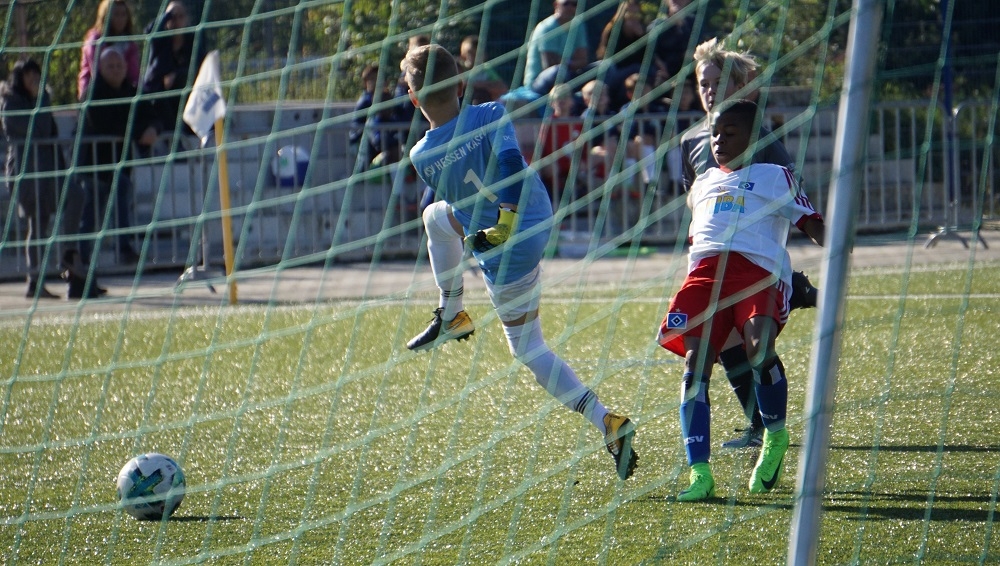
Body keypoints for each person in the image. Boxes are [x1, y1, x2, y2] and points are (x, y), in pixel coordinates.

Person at [400, 43, 638, 480]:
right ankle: (451, 314)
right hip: (534, 212)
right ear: (461, 83)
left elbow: (482, 180)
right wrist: (507, 217)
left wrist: (503, 224)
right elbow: (509, 163)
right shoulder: (491, 113)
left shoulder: (421, 155)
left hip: (506, 246)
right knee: (435, 217)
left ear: (413, 99)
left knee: (528, 349)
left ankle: (606, 420)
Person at [657, 99, 825, 501]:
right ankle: (700, 473)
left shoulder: (775, 176)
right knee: (694, 367)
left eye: (729, 134)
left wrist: (840, 246)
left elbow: (812, 223)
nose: (718, 141)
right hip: (704, 279)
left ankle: (775, 436)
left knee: (758, 347)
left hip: (756, 273)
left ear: (754, 138)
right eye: (715, 134)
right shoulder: (703, 183)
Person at [680, 37, 819, 450]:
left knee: (746, 342)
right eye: (703, 83)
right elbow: (695, 198)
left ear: (741, 86)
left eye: (718, 82)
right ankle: (758, 425)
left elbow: (786, 193)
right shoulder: (691, 140)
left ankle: (766, 427)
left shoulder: (761, 139)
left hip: (755, 261)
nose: (709, 91)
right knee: (722, 342)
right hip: (712, 259)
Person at [1, 59, 102, 300]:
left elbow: (46, 129)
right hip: (26, 172)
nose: (33, 79)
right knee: (37, 224)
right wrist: (40, 102)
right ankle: (35, 282)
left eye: (36, 74)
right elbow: (33, 131)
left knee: (75, 195)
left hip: (49, 168)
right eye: (28, 75)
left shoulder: (42, 97)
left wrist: (41, 99)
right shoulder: (9, 102)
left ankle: (67, 252)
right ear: (19, 77)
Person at [78, 48, 159, 266]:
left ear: (125, 67)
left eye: (119, 66)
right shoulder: (92, 94)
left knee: (121, 193)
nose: (115, 70)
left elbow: (152, 114)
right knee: (90, 214)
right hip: (93, 166)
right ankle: (81, 260)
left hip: (119, 165)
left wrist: (152, 128)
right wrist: (139, 132)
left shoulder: (131, 91)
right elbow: (107, 125)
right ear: (100, 69)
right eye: (110, 66)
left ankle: (124, 248)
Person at [141, 0, 207, 139]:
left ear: (187, 19)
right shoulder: (160, 42)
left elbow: (200, 69)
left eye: (180, 16)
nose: (176, 21)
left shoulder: (193, 42)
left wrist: (176, 75)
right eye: (172, 17)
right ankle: (176, 140)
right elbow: (149, 32)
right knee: (161, 102)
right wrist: (167, 15)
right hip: (159, 96)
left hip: (184, 95)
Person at [523, 0, 591, 94]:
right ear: (556, 5)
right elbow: (550, 65)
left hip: (569, 75)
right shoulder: (546, 28)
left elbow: (583, 60)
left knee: (603, 67)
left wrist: (565, 62)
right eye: (566, 4)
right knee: (558, 71)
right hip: (539, 83)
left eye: (574, 4)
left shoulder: (578, 25)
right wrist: (572, 63)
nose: (570, 7)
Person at [78, 0, 141, 101]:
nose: (120, 19)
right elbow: (97, 72)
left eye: (123, 14)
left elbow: (134, 74)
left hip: (122, 89)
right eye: (116, 14)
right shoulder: (95, 40)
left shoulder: (129, 43)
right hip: (95, 92)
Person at [350, 64, 406, 173]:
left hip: (378, 138)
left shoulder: (386, 99)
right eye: (373, 79)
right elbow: (357, 126)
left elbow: (400, 113)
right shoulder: (365, 101)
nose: (377, 83)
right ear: (365, 82)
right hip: (361, 139)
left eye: (379, 79)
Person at [536, 84, 584, 200]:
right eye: (558, 97)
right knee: (552, 167)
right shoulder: (548, 123)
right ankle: (559, 196)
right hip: (555, 163)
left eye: (565, 97)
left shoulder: (578, 123)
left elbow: (583, 148)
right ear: (552, 102)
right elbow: (546, 149)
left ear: (572, 101)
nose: (562, 100)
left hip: (573, 162)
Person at [646, 0, 696, 83]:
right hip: (663, 72)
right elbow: (650, 53)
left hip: (687, 70)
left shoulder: (692, 23)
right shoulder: (657, 26)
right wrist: (661, 67)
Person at [458, 35, 508, 103]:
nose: (475, 57)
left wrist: (477, 84)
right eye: (471, 53)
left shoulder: (485, 69)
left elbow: (502, 88)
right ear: (463, 54)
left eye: (478, 53)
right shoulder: (459, 68)